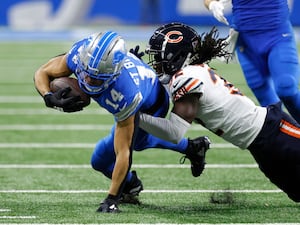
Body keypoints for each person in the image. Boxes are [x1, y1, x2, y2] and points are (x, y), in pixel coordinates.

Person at [33, 31, 210, 213]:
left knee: (121, 149)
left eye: (96, 78)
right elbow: (43, 72)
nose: (88, 81)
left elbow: (124, 152)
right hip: (137, 83)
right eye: (86, 74)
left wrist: (111, 199)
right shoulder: (79, 54)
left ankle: (186, 151)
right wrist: (48, 97)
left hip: (151, 104)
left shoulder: (126, 92)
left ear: (113, 74)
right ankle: (190, 149)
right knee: (100, 160)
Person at [138, 22, 300, 202]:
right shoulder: (190, 73)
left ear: (176, 55)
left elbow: (174, 133)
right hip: (258, 146)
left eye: (159, 58)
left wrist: (134, 117)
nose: (157, 65)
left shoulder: (186, 78)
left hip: (274, 131)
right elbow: (164, 86)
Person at [204, 0, 300, 124]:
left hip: (277, 36)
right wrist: (212, 5)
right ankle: (290, 139)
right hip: (246, 43)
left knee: (286, 87)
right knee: (270, 106)